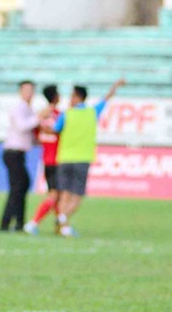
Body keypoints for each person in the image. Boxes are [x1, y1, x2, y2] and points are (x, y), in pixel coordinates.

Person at [52, 79, 126, 237]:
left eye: (71, 96)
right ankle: (63, 219)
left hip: (65, 158)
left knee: (65, 194)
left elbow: (55, 129)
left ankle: (63, 224)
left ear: (77, 97)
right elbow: (106, 98)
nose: (69, 99)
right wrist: (115, 86)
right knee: (77, 195)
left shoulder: (67, 114)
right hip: (82, 158)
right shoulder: (92, 112)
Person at [0, 80, 46, 232]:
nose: (29, 93)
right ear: (20, 91)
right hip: (12, 152)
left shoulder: (28, 109)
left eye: (31, 90)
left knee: (23, 185)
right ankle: (5, 223)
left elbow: (30, 133)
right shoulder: (18, 108)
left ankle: (19, 222)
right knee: (17, 188)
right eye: (26, 90)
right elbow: (22, 126)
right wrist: (39, 117)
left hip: (19, 153)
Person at [24, 84, 61, 235]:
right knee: (55, 195)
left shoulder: (41, 116)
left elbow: (36, 133)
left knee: (56, 195)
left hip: (46, 160)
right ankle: (33, 222)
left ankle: (61, 226)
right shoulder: (59, 115)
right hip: (58, 160)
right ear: (56, 97)